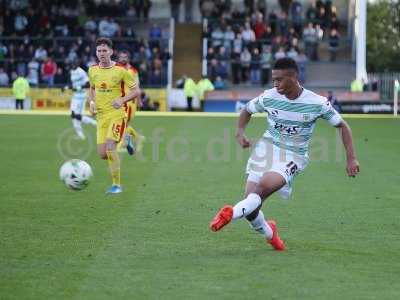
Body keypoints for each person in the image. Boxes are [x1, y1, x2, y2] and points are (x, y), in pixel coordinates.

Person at [209, 58, 360, 250]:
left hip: (293, 155)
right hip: (266, 149)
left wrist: (351, 158)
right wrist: (239, 133)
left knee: (261, 190)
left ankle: (230, 213)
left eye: (279, 79)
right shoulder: (269, 96)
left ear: (294, 77)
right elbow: (247, 110)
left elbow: (342, 126)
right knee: (251, 209)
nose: (275, 84)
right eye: (273, 79)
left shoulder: (317, 103)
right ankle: (270, 233)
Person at [88, 38, 140, 194]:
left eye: (105, 51)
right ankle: (128, 134)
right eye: (99, 51)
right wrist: (91, 102)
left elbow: (136, 91)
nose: (102, 53)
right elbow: (92, 89)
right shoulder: (92, 70)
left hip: (117, 114)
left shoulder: (120, 71)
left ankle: (116, 185)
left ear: (111, 52)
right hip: (101, 117)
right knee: (103, 154)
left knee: (111, 146)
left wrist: (122, 100)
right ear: (96, 53)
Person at [117, 50, 146, 155]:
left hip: (130, 102)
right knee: (121, 123)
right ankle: (137, 138)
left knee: (124, 123)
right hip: (120, 101)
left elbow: (137, 87)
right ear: (119, 58)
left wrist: (139, 100)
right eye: (121, 57)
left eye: (125, 57)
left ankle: (121, 144)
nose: (123, 59)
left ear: (128, 58)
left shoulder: (133, 71)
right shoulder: (117, 69)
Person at [67, 60, 97, 140]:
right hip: (75, 96)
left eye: (74, 63)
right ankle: (80, 135)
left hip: (81, 97)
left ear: (77, 64)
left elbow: (88, 84)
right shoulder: (72, 72)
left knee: (77, 115)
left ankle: (95, 123)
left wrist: (78, 88)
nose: (72, 65)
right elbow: (73, 83)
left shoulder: (81, 72)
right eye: (71, 64)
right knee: (73, 115)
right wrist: (67, 87)